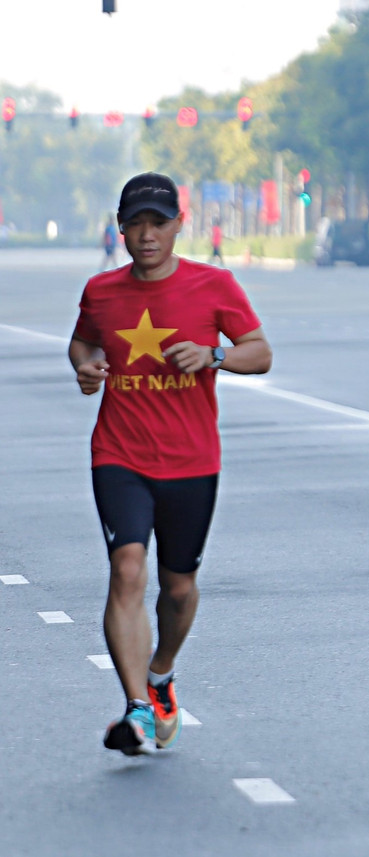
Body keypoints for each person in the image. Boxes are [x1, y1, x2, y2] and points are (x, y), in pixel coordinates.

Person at [68, 172, 272, 756]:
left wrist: (215, 355)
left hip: (191, 459)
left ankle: (160, 674)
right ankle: (134, 709)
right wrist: (85, 368)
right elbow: (83, 343)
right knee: (127, 568)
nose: (148, 234)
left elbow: (260, 353)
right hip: (119, 453)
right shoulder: (102, 291)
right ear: (122, 229)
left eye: (159, 222)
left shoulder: (214, 285)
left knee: (178, 588)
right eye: (137, 224)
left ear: (179, 225)